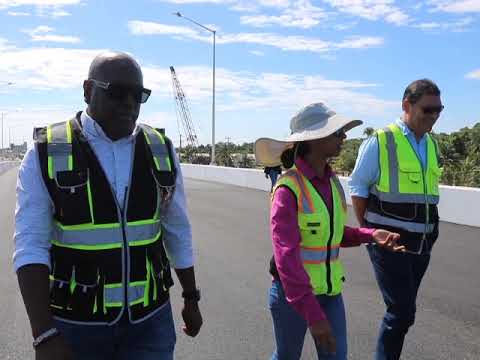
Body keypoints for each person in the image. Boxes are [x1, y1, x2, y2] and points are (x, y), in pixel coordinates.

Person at [13, 51, 203, 360]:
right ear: (88, 90)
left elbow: (176, 229)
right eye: (116, 92)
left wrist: (191, 296)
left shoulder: (161, 150)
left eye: (138, 95)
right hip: (75, 325)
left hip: (150, 322)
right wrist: (43, 332)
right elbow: (30, 245)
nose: (129, 103)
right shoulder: (48, 151)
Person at [254, 103, 405, 360]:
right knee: (287, 356)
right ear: (314, 139)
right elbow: (286, 257)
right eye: (337, 133)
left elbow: (331, 233)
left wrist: (370, 235)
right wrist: (313, 315)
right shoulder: (287, 188)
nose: (344, 137)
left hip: (330, 293)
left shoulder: (332, 181)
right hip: (294, 298)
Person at [348, 79, 443, 360]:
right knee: (401, 311)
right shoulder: (382, 140)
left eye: (439, 109)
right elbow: (358, 186)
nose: (434, 115)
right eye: (428, 109)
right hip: (389, 243)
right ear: (406, 105)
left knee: (404, 313)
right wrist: (368, 233)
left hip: (422, 244)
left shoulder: (432, 145)